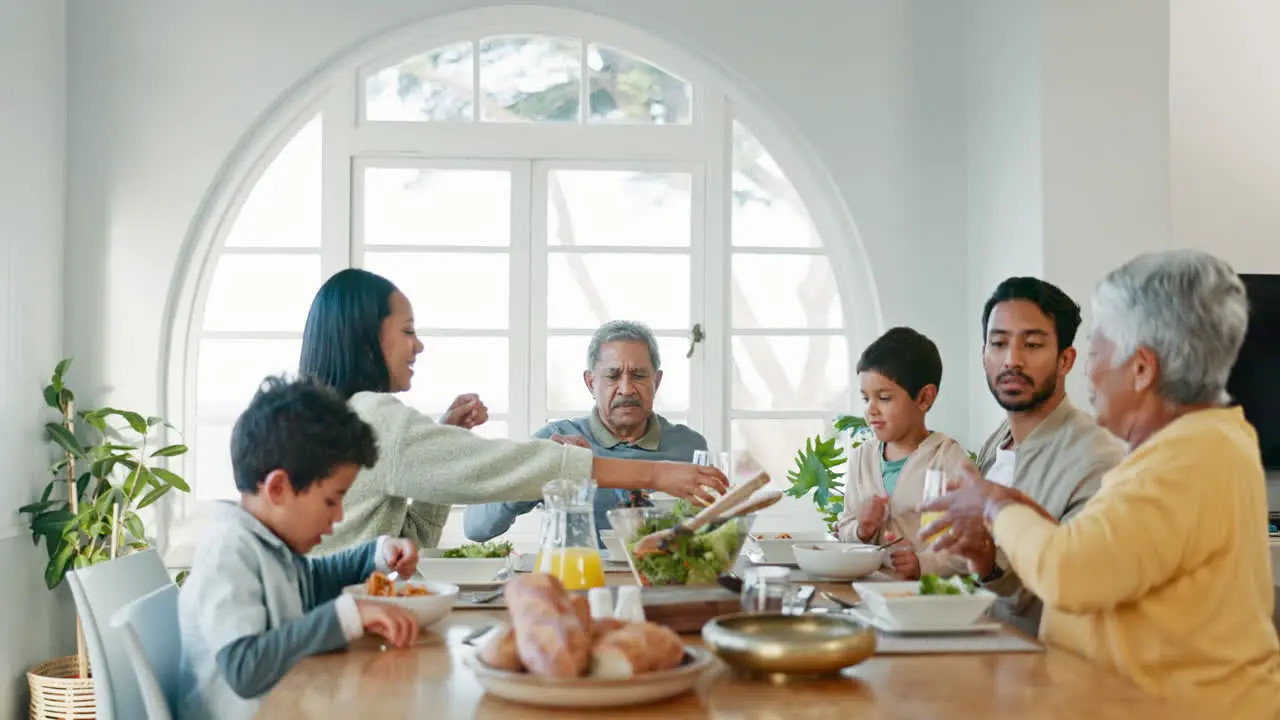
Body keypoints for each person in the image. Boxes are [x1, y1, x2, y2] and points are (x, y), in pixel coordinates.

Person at [923, 250, 1280, 718]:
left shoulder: (1189, 456)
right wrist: (1012, 512)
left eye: (1096, 350)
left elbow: (1070, 573)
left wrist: (994, 506)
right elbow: (1105, 558)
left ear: (1141, 369)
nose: (1089, 371)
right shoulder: (1194, 444)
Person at [301, 269, 728, 553]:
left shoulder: (340, 419)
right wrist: (653, 474)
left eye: (639, 375)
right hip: (346, 616)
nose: (419, 345)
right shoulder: (376, 419)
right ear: (366, 339)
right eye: (408, 331)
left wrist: (445, 440)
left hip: (355, 612)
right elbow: (504, 470)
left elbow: (409, 538)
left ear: (658, 379)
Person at [177, 376, 422, 720]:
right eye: (331, 500)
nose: (338, 516)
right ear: (278, 488)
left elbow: (313, 579)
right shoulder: (228, 549)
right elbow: (245, 669)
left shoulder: (270, 544)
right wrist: (351, 614)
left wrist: (377, 554)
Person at [963, 277, 1125, 635]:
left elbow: (1070, 589)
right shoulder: (1000, 441)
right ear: (983, 356)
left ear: (1066, 359)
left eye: (1032, 344)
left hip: (1047, 667)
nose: (1012, 360)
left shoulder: (1097, 458)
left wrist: (989, 565)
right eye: (999, 343)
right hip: (977, 646)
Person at [463, 320, 709, 547]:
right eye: (612, 376)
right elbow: (476, 527)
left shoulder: (689, 447)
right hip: (579, 581)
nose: (626, 388)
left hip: (662, 586)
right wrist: (541, 469)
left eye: (639, 375)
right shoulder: (557, 439)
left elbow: (711, 533)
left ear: (656, 381)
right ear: (591, 383)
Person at [834, 327, 971, 579]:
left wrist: (923, 564)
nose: (871, 410)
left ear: (924, 398)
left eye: (884, 398)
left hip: (923, 601)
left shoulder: (949, 460)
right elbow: (844, 527)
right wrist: (862, 529)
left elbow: (969, 546)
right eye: (866, 399)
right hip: (868, 592)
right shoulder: (861, 458)